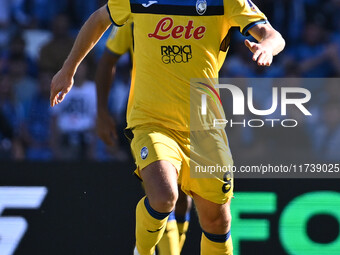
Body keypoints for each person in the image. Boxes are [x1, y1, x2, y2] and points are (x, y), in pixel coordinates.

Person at [50, 1, 285, 254]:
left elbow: (273, 35)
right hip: (152, 120)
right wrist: (68, 69)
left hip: (205, 127)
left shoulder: (227, 2)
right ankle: (143, 251)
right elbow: (99, 20)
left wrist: (267, 47)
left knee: (217, 222)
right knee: (164, 196)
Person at [95, 22, 192, 254]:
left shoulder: (195, 12)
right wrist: (101, 112)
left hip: (188, 121)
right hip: (147, 120)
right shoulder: (134, 14)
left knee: (182, 201)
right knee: (163, 193)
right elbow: (108, 60)